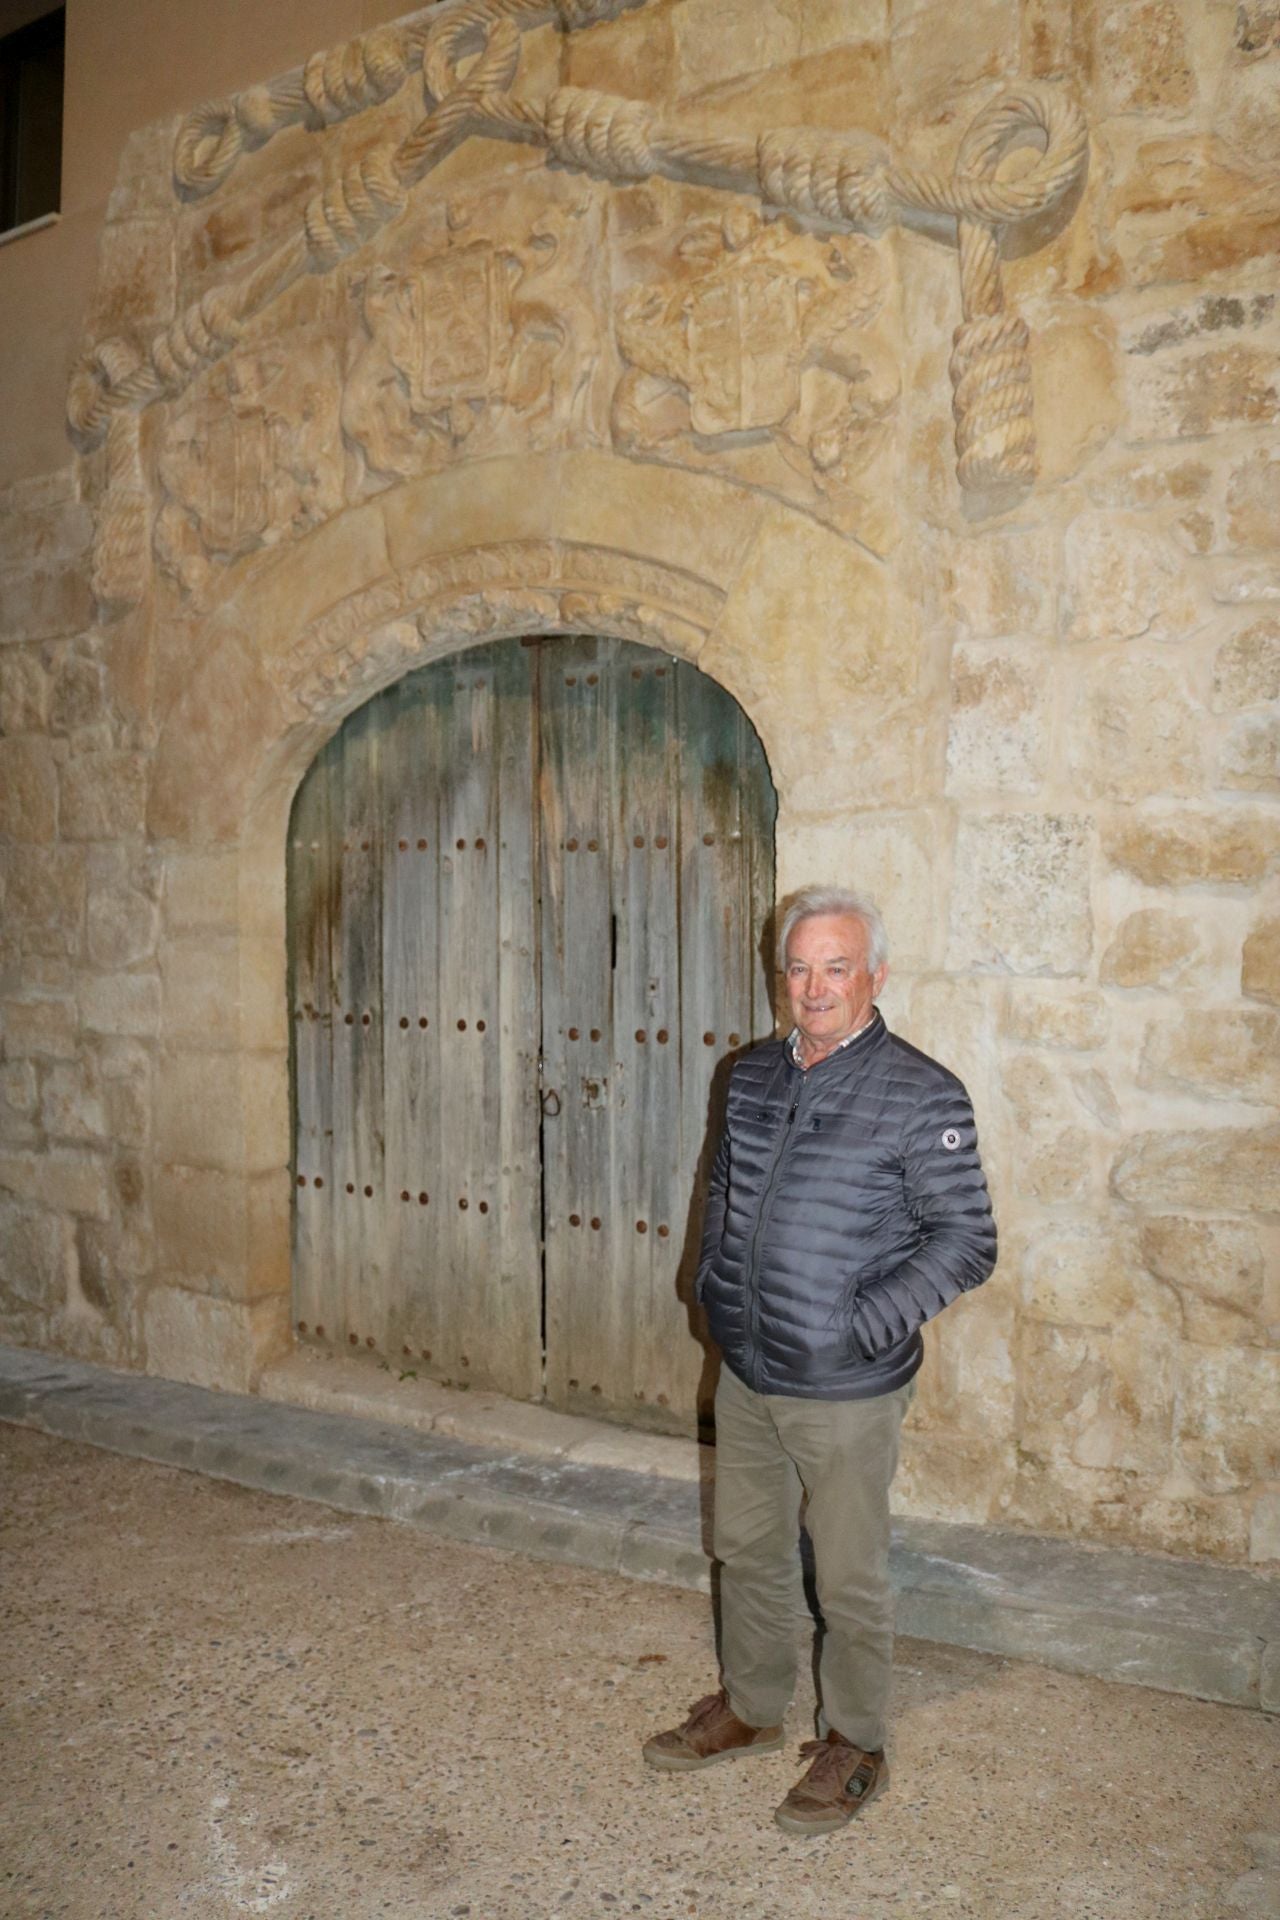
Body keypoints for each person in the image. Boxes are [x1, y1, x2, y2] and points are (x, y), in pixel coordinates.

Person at [643, 886, 997, 1836]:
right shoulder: (750, 1076)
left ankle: (856, 1741)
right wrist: (715, 1289)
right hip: (750, 1367)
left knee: (845, 1574)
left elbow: (966, 1239)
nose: (813, 986)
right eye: (798, 967)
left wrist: (862, 1323)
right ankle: (754, 1708)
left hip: (844, 1384)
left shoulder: (926, 1094)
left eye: (835, 967)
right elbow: (723, 1191)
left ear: (875, 975)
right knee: (746, 1547)